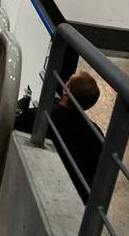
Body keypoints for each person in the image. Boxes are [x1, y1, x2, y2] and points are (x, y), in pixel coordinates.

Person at [15, 71, 104, 199]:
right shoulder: (96, 133)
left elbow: (15, 126)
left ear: (66, 91)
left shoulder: (43, 116)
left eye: (68, 81)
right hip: (76, 198)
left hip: (37, 187)